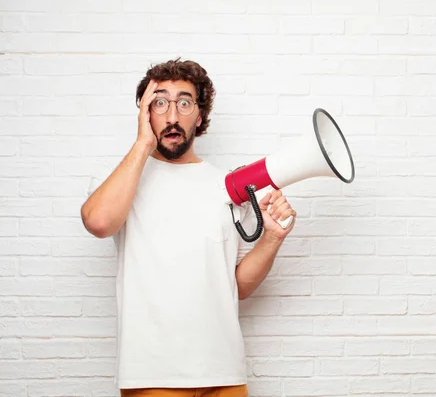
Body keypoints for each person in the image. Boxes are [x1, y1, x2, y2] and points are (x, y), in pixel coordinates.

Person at [80, 58, 296, 397]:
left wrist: (271, 238)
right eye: (159, 103)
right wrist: (142, 144)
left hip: (225, 372)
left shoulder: (227, 187)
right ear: (145, 114)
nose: (171, 116)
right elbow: (99, 222)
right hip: (152, 376)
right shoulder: (123, 180)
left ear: (200, 115)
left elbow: (235, 286)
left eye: (184, 103)